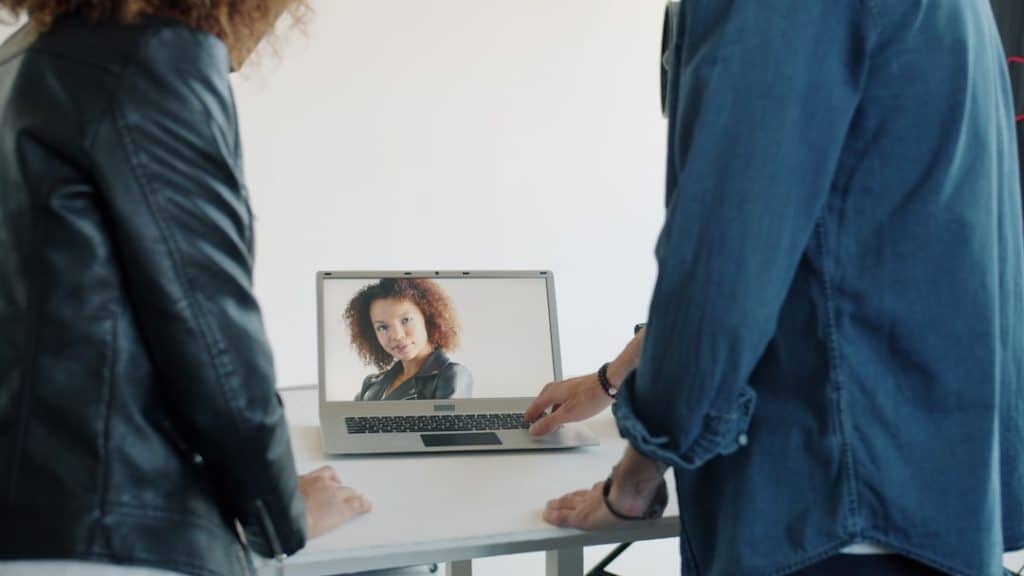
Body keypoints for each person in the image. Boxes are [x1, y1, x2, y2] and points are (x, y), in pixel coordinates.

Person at [529, 2, 1024, 575]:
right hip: (924, 496)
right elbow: (836, 251)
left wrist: (635, 479)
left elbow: (727, 253)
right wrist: (617, 379)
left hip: (825, 505)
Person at [0, 2, 369, 575]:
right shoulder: (151, 57)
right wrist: (281, 515)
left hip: (37, 519)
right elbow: (212, 332)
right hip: (116, 532)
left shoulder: (23, 56)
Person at [345, 278, 473, 401]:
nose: (397, 335)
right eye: (383, 327)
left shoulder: (451, 375)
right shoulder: (371, 385)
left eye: (406, 320)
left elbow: (446, 423)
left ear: (427, 317)